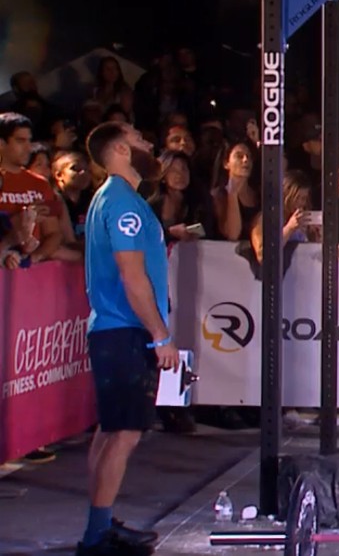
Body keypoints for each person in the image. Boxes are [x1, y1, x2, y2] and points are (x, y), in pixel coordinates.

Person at [79, 121, 178, 555]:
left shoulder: (117, 200)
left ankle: (99, 525)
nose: (148, 143)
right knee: (125, 434)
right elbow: (133, 278)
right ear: (120, 148)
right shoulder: (121, 203)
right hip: (124, 332)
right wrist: (160, 336)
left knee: (112, 431)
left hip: (114, 330)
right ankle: (96, 537)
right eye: (140, 138)